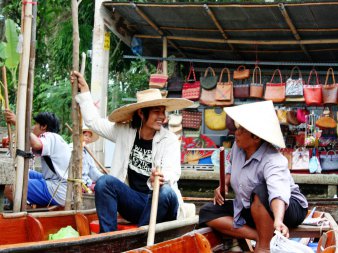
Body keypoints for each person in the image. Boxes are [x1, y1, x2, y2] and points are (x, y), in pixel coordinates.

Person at [70, 71, 193, 233]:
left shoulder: (168, 140)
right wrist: (85, 91)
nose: (162, 117)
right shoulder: (125, 132)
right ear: (142, 113)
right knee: (104, 183)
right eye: (156, 111)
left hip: (161, 204)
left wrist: (161, 177)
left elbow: (173, 172)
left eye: (163, 111)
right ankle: (109, 239)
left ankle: (138, 238)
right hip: (136, 203)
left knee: (164, 191)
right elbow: (94, 122)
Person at [199, 101, 308, 253]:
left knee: (261, 190)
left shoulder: (273, 159)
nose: (236, 132)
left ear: (256, 137)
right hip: (251, 207)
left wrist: (278, 220)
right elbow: (230, 166)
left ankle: (263, 247)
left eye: (242, 130)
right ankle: (260, 236)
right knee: (207, 211)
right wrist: (225, 184)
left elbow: (278, 193)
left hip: (288, 208)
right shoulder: (238, 146)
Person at [4, 110, 71, 207]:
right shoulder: (57, 139)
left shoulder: (50, 136)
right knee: (24, 171)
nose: (32, 127)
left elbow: (37, 144)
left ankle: (28, 212)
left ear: (43, 126)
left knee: (10, 188)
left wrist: (18, 123)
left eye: (35, 124)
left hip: (58, 189)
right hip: (61, 186)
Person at [69, 125, 104, 192]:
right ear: (80, 136)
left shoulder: (87, 151)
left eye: (89, 136)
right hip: (77, 182)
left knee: (103, 185)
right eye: (85, 135)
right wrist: (80, 148)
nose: (88, 138)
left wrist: (103, 178)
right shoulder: (71, 147)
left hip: (87, 181)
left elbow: (93, 170)